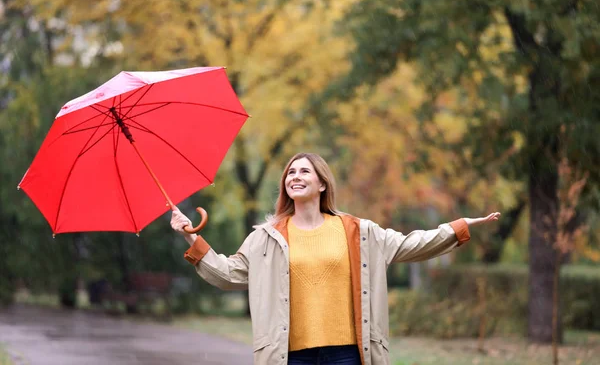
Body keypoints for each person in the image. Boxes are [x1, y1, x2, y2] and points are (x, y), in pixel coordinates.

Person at [171, 152, 500, 365]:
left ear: (322, 182)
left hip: (348, 354)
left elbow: (411, 245)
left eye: (304, 171)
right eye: (290, 173)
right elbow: (229, 274)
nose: (294, 176)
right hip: (289, 356)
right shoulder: (266, 237)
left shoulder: (357, 231)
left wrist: (458, 228)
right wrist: (190, 235)